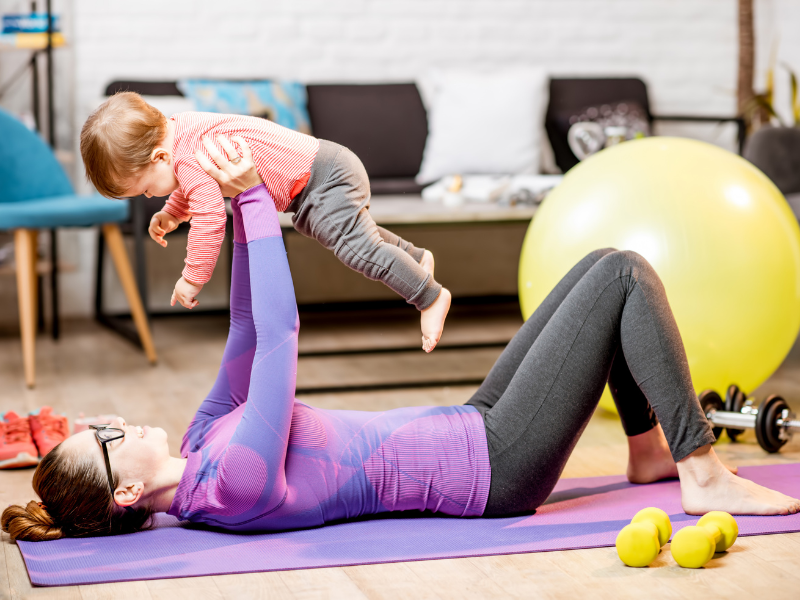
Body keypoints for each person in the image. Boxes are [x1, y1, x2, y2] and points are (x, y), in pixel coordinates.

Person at [4, 139, 799, 542]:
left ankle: (649, 451)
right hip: (497, 470)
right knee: (624, 272)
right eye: (105, 441)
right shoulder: (234, 485)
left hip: (474, 423)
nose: (111, 422)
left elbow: (246, 326)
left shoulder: (206, 440)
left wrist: (231, 198)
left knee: (599, 266)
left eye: (95, 423)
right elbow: (280, 335)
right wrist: (249, 200)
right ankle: (700, 470)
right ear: (127, 495)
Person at [79, 92, 451, 352]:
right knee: (353, 236)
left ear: (160, 157)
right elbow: (194, 185)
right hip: (321, 172)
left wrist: (192, 278)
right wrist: (173, 212)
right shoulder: (181, 132)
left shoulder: (187, 158)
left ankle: (429, 295)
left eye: (145, 190)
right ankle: (412, 258)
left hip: (323, 179)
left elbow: (209, 218)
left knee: (355, 250)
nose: (150, 197)